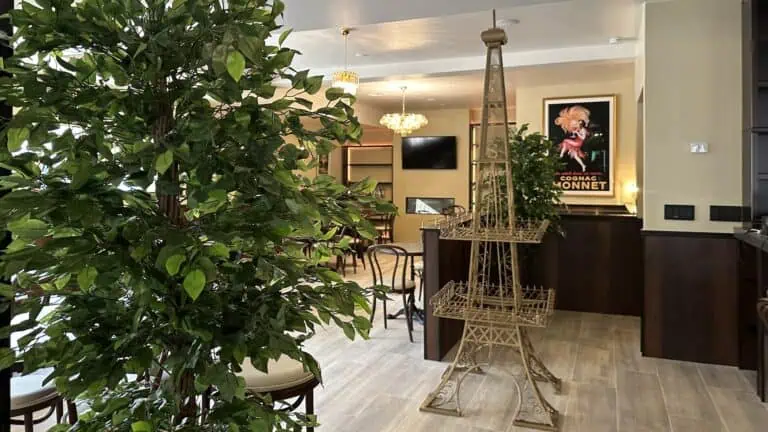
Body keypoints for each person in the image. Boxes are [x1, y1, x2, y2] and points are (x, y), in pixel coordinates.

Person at [554, 106, 590, 172]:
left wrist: (577, 133)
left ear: (581, 123)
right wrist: (574, 133)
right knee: (575, 156)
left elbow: (583, 138)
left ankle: (561, 155)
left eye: (578, 122)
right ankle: (583, 165)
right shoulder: (578, 129)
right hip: (575, 142)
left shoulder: (583, 130)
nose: (576, 124)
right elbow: (575, 134)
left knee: (565, 141)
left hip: (578, 143)